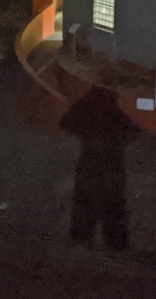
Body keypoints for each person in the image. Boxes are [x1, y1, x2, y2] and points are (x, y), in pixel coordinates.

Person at [59, 86, 142, 250]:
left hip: (89, 164)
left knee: (85, 203)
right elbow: (133, 133)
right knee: (113, 205)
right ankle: (115, 244)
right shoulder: (114, 112)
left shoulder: (85, 107)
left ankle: (81, 240)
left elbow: (66, 124)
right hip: (112, 165)